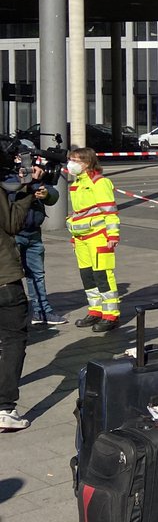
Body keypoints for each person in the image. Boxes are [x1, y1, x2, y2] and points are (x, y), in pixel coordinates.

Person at [0, 164, 44, 430]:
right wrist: (26, 190)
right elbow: (12, 223)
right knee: (12, 340)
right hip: (4, 279)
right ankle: (4, 408)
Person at [66, 147, 121, 332]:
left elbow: (110, 211)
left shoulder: (99, 182)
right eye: (71, 159)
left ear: (87, 163)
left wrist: (112, 235)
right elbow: (78, 212)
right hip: (81, 238)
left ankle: (110, 315)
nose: (71, 164)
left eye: (76, 160)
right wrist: (74, 236)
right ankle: (95, 310)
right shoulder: (76, 184)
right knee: (87, 276)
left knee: (103, 275)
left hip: (98, 236)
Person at [10, 168, 64, 325]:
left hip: (33, 234)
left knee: (37, 275)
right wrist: (25, 185)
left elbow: (53, 195)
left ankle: (41, 312)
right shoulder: (8, 176)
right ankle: (13, 315)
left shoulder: (37, 175)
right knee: (10, 276)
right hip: (14, 234)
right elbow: (10, 196)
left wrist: (46, 194)